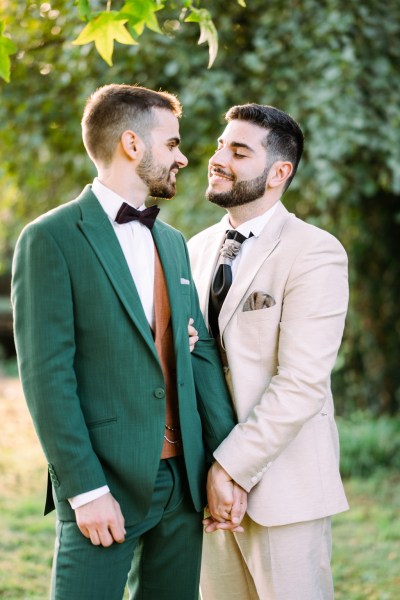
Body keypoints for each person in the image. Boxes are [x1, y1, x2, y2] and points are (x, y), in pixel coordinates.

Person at [11, 84, 245, 600]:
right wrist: (85, 489)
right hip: (104, 480)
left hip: (183, 484)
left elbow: (200, 354)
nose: (184, 157)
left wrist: (229, 463)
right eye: (173, 144)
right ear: (133, 145)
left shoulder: (173, 241)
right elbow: (48, 377)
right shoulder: (50, 238)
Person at [188, 103, 349, 600]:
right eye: (220, 145)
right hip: (204, 496)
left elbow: (301, 383)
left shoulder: (314, 251)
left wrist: (230, 468)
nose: (219, 158)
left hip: (285, 490)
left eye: (239, 151)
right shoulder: (191, 249)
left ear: (280, 172)